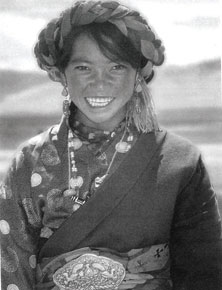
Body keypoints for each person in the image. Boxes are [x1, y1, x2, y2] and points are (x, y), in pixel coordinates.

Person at [0, 1, 221, 289]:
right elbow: (11, 270)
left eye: (116, 66)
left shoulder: (179, 163)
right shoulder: (30, 162)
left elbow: (203, 273)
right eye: (83, 67)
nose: (99, 83)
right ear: (62, 75)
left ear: (138, 76)